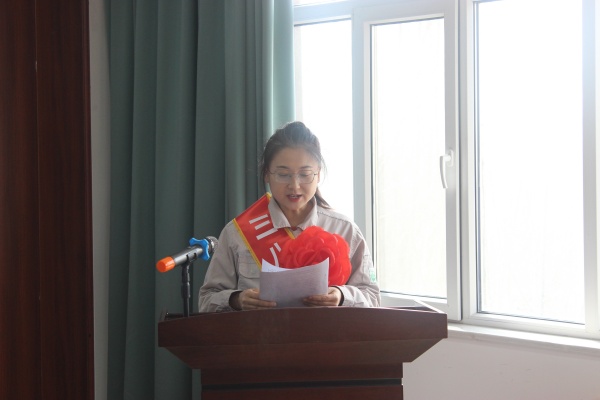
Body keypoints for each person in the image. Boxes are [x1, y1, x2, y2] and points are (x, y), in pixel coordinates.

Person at [198, 121, 380, 312]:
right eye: (283, 174)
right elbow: (206, 299)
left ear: (318, 174)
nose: (294, 185)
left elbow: (372, 296)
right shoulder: (236, 233)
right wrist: (236, 300)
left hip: (325, 332)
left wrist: (342, 296)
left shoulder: (345, 230)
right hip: (260, 332)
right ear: (266, 174)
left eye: (305, 174)